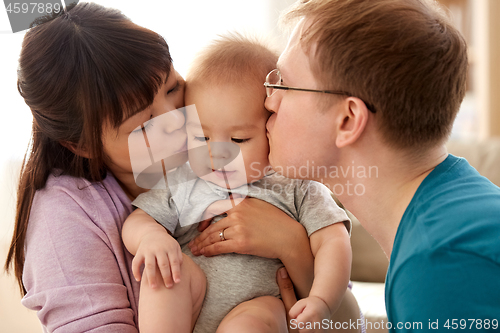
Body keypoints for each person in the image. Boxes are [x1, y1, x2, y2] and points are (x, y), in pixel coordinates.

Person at [3, 3, 341, 332]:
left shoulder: (221, 141)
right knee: (165, 276)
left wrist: (289, 243)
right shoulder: (64, 216)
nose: (179, 119)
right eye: (146, 121)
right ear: (83, 145)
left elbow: (342, 317)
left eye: (173, 87)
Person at [258, 0, 500, 331]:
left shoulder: (439, 262)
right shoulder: (458, 209)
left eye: (282, 84)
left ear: (347, 120)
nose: (269, 101)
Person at [122, 34, 352, 333]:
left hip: (258, 303)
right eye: (202, 137)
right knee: (164, 278)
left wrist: (322, 299)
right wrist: (151, 238)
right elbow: (138, 219)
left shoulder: (295, 183)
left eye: (239, 139)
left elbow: (333, 241)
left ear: (273, 126)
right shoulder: (185, 178)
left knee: (254, 322)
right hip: (191, 301)